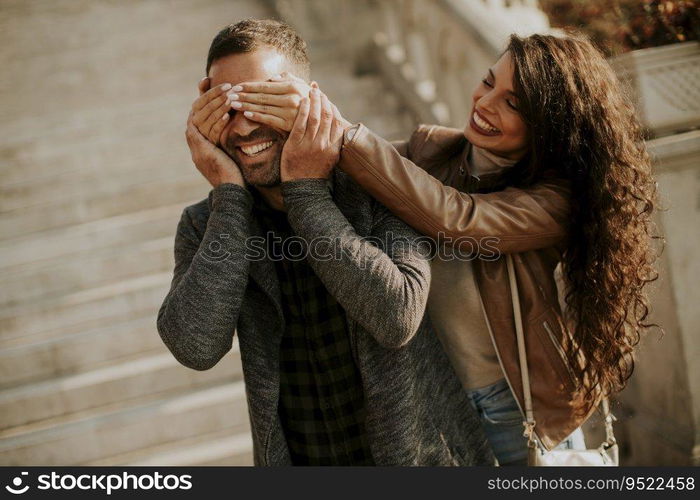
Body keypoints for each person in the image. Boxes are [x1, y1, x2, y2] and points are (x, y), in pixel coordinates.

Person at [234, 31, 660, 465]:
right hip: (438, 400)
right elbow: (343, 171)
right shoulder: (431, 151)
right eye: (489, 82)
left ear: (551, 125)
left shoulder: (554, 200)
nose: (486, 103)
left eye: (514, 104)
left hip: (515, 406)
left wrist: (339, 129)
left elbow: (458, 219)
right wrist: (257, 133)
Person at [157, 19, 494, 466]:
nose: (242, 129)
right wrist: (229, 196)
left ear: (307, 99)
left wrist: (307, 191)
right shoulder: (208, 224)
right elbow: (194, 347)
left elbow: (396, 315)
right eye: (227, 108)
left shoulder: (377, 179)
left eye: (261, 101)